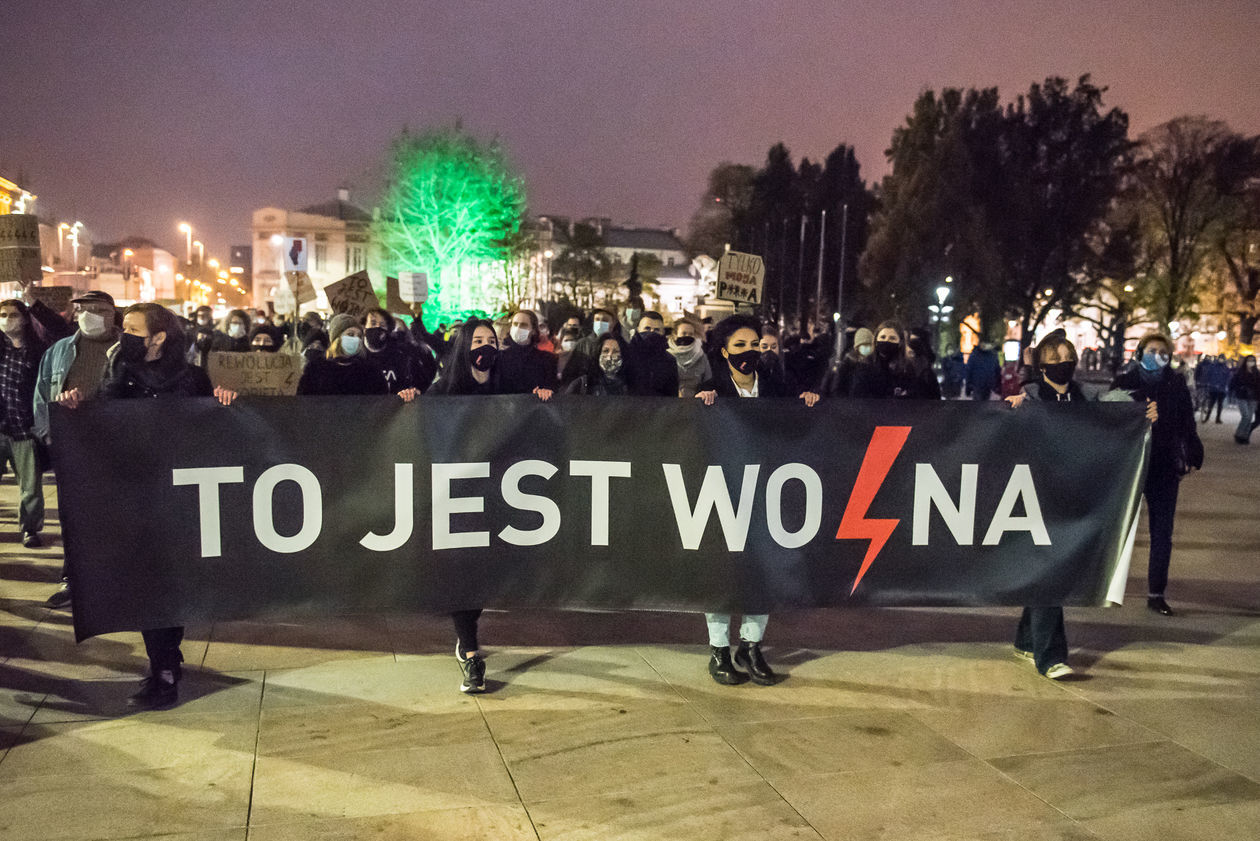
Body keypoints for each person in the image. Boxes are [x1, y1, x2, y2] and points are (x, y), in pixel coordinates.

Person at [58, 303, 236, 708]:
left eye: (135, 329)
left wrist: (223, 403)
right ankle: (164, 665)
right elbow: (104, 423)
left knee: (168, 583)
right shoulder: (119, 372)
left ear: (159, 337)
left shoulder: (192, 378)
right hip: (135, 495)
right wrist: (76, 409)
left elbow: (212, 429)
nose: (125, 335)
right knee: (145, 582)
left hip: (180, 496)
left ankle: (166, 666)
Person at [1005, 332, 1156, 678]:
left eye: (1067, 355)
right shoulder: (1030, 398)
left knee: (1049, 569)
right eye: (1055, 357)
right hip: (1037, 494)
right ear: (1041, 364)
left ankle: (1027, 641)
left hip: (1075, 494)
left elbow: (1117, 415)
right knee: (1051, 571)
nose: (1063, 363)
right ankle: (1051, 656)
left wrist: (1140, 413)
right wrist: (1010, 410)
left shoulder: (1088, 398)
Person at [422, 319, 550, 692]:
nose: (485, 346)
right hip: (456, 497)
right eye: (477, 340)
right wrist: (407, 402)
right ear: (464, 346)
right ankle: (470, 650)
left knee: (483, 569)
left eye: (491, 340)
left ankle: (467, 636)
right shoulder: (441, 391)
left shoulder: (507, 387)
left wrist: (539, 400)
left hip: (496, 495)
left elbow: (530, 420)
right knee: (463, 569)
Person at [694, 314, 820, 686]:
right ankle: (718, 649)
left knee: (764, 568)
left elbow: (799, 422)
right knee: (723, 570)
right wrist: (700, 406)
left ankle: (751, 645)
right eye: (740, 346)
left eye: (755, 345)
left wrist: (808, 401)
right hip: (724, 490)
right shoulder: (711, 387)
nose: (749, 352)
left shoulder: (779, 387)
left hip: (769, 489)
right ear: (723, 351)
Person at [33, 290, 121, 608]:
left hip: (117, 450)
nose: (89, 314)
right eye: (83, 308)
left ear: (113, 314)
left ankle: (116, 580)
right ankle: (73, 580)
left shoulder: (127, 350)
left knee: (116, 518)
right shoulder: (58, 352)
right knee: (75, 519)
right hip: (73, 450)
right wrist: (49, 436)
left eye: (97, 309)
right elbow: (42, 395)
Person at [1111, 333, 1201, 616]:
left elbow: (1186, 422)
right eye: (1152, 350)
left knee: (1162, 532)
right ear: (1140, 353)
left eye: (1163, 352)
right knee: (1117, 529)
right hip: (1130, 464)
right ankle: (1106, 584)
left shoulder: (1175, 384)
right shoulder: (1125, 381)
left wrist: (1192, 449)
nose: (1158, 355)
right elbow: (1108, 418)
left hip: (1163, 465)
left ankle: (1156, 593)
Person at [0, 300, 49, 548]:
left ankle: (30, 529)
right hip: (1, 428)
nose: (7, 320)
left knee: (30, 488)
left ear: (25, 319)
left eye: (13, 315)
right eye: (3, 315)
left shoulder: (38, 351)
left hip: (24, 430)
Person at [297, 314, 385, 396]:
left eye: (359, 336)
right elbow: (304, 400)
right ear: (337, 337)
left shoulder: (370, 370)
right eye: (350, 334)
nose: (356, 339)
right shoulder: (316, 368)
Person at [363, 308, 436, 394]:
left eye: (382, 325)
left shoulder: (403, 355)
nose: (377, 327)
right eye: (373, 323)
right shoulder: (357, 355)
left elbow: (423, 381)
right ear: (364, 328)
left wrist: (415, 391)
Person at [497, 309, 556, 396]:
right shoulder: (499, 357)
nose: (518, 328)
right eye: (515, 324)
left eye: (523, 325)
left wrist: (544, 391)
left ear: (533, 330)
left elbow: (550, 387)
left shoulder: (546, 359)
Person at [624, 311, 678, 397]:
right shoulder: (626, 355)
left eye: (657, 330)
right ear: (638, 329)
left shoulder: (669, 361)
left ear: (663, 332)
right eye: (647, 328)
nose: (651, 332)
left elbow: (672, 395)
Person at [561, 308, 619, 384]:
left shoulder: (620, 345)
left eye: (605, 320)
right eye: (597, 319)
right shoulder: (582, 344)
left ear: (613, 323)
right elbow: (570, 374)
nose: (600, 323)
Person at [564, 334, 630, 395]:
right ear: (598, 354)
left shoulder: (632, 385)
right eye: (605, 351)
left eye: (616, 351)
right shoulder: (582, 384)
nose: (610, 356)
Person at [821, 326, 873, 398]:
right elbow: (837, 387)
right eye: (863, 345)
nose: (867, 348)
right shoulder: (848, 363)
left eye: (869, 345)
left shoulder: (873, 363)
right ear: (857, 347)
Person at [669, 317, 711, 398]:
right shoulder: (667, 355)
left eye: (690, 334)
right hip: (671, 401)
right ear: (675, 335)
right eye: (684, 333)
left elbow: (708, 381)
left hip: (696, 401)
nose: (687, 336)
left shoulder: (701, 356)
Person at [1229, 355, 1260, 444]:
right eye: (1249, 360)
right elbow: (1233, 384)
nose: (1251, 362)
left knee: (1249, 417)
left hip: (1253, 398)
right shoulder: (1240, 372)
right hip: (1242, 397)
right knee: (1245, 416)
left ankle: (1245, 436)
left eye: (1253, 361)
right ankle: (1238, 434)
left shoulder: (1256, 373)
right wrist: (1239, 389)